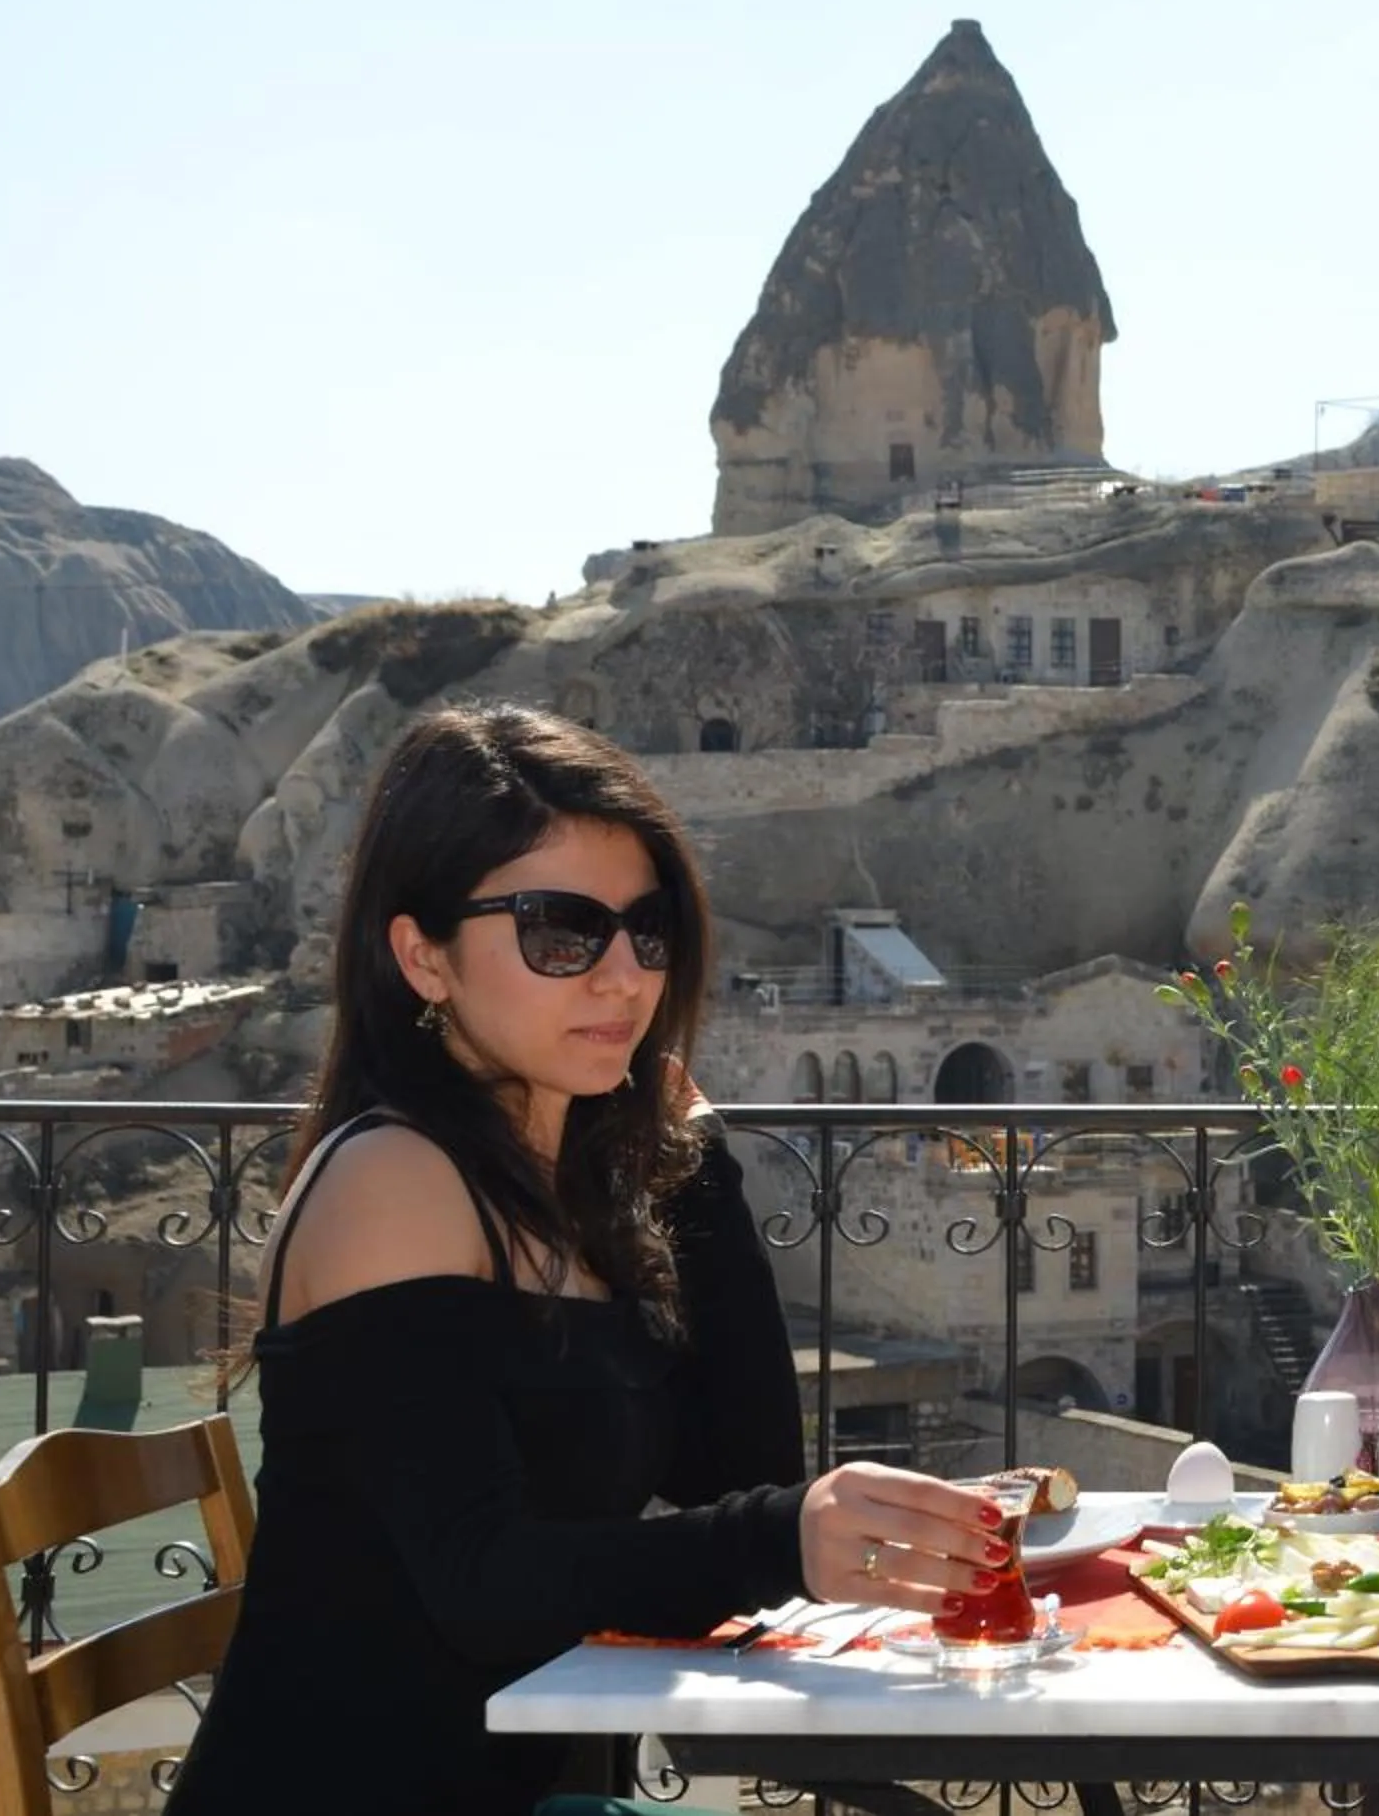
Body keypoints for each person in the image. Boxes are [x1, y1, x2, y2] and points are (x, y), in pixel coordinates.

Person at [167, 706, 1011, 1816]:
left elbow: (737, 1465)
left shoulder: (568, 1189)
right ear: (423, 955)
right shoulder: (393, 1182)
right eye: (560, 932)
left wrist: (696, 1162)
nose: (624, 977)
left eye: (646, 930)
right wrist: (779, 1535)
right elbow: (485, 1586)